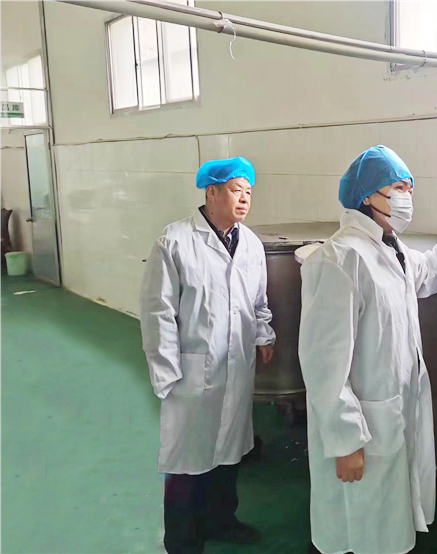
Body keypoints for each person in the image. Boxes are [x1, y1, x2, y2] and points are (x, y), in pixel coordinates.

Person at [299, 145, 437, 554]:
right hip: (362, 423)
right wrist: (345, 441)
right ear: (368, 195)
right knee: (360, 525)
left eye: (409, 188)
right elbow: (324, 363)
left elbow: (428, 271)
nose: (406, 197)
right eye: (397, 188)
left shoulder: (390, 248)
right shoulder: (340, 258)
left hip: (392, 410)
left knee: (386, 522)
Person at [140, 157, 276, 554]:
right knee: (187, 460)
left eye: (248, 191)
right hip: (191, 371)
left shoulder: (250, 244)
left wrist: (264, 335)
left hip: (235, 367)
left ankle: (221, 521)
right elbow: (158, 311)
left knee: (229, 451)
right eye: (236, 190)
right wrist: (167, 373)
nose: (244, 198)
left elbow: (258, 300)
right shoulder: (175, 241)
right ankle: (182, 539)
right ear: (211, 192)